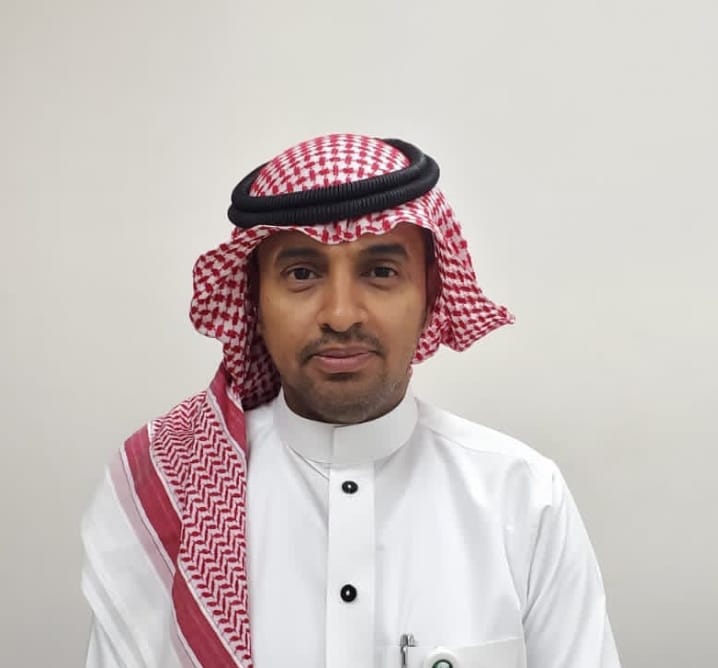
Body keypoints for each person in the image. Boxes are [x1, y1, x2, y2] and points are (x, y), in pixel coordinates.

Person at [81, 134, 621, 668]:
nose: (341, 315)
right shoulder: (166, 490)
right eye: (302, 274)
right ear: (255, 301)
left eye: (380, 271)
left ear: (431, 293)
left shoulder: (523, 497)